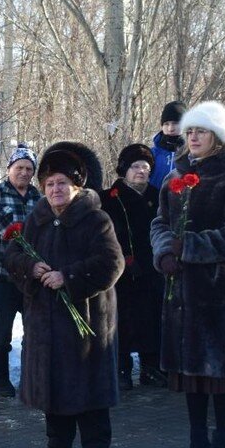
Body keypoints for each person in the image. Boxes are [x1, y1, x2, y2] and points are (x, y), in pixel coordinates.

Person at [151, 101, 225, 448]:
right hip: (180, 290)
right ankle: (197, 443)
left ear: (218, 137)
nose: (192, 137)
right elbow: (160, 222)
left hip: (218, 291)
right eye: (190, 131)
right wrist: (164, 252)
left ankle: (222, 441)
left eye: (201, 131)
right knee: (189, 369)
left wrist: (191, 246)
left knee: (218, 370)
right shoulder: (173, 175)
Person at [4, 142, 124, 448]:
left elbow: (112, 263)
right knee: (53, 383)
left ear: (77, 186)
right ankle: (57, 443)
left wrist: (68, 277)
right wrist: (32, 268)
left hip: (86, 319)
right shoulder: (37, 219)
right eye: (50, 184)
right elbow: (14, 254)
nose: (56, 189)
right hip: (45, 319)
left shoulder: (95, 219)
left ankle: (96, 445)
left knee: (87, 384)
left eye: (62, 184)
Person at [0, 143, 41, 397]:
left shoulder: (40, 199)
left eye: (29, 168)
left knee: (34, 331)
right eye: (19, 167)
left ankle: (32, 376)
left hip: (30, 278)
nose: (24, 173)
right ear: (9, 169)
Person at [100, 143, 164, 389]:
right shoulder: (109, 198)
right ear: (124, 170)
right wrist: (123, 256)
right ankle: (121, 368)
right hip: (121, 270)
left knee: (151, 318)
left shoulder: (158, 196)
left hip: (152, 268)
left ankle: (151, 367)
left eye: (145, 167)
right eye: (135, 166)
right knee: (121, 320)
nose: (140, 171)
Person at [150, 101, 187, 190]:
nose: (170, 129)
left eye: (175, 123)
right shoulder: (152, 154)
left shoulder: (191, 153)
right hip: (155, 201)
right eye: (166, 124)